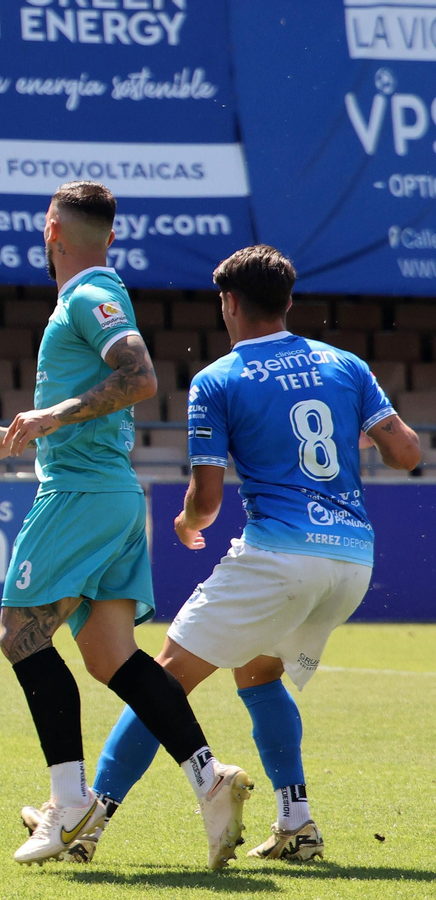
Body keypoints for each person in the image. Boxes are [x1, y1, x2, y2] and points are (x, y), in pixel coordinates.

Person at [64, 245, 422, 861]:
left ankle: (86, 824)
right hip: (352, 559)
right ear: (288, 301)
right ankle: (297, 824)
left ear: (229, 303)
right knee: (258, 673)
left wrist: (184, 521)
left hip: (281, 558)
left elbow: (207, 500)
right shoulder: (346, 364)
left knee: (162, 679)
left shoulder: (218, 379)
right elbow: (407, 453)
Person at [0, 181, 252, 869]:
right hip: (111, 492)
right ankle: (210, 780)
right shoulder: (92, 296)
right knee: (110, 657)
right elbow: (105, 394)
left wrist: (48, 418)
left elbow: (141, 376)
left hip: (81, 496)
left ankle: (70, 803)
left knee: (21, 635)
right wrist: (22, 436)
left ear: (51, 228)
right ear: (110, 236)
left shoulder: (88, 295)